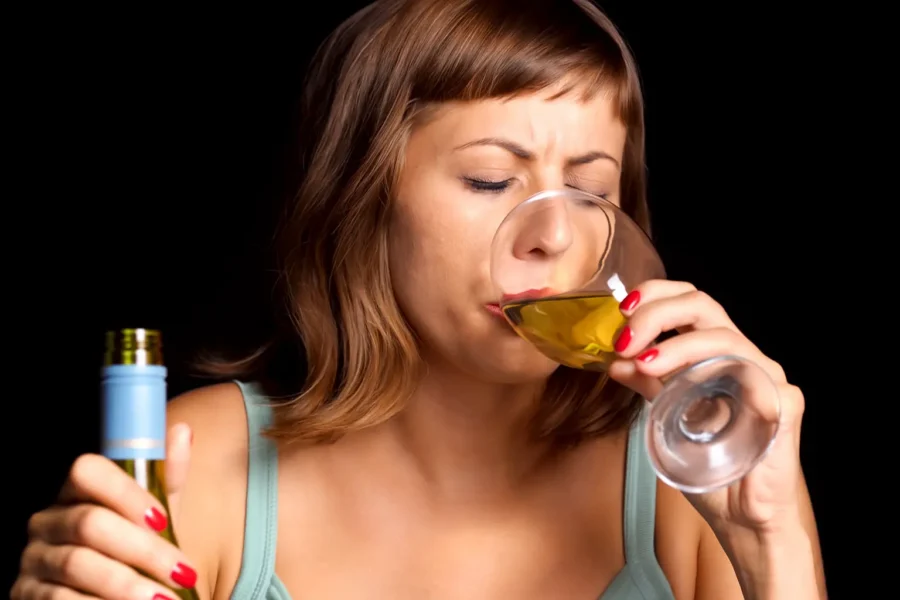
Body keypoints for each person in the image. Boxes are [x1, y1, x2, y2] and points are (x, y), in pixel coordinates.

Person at [12, 1, 826, 598]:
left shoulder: (696, 481)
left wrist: (772, 546)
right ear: (364, 196)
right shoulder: (202, 464)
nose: (553, 235)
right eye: (491, 180)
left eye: (589, 190)